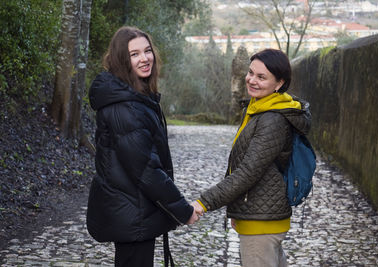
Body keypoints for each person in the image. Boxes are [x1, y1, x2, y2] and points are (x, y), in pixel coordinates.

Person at [86, 26, 199, 267]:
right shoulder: (126, 108)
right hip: (132, 214)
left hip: (134, 212)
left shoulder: (135, 97)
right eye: (134, 54)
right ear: (121, 59)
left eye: (147, 51)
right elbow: (146, 170)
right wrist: (183, 210)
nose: (145, 58)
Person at [192, 48, 312, 267]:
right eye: (250, 73)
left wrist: (204, 203)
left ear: (279, 83)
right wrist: (239, 209)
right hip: (258, 217)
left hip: (262, 225)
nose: (251, 80)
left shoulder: (272, 119)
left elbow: (248, 171)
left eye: (261, 77)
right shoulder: (260, 108)